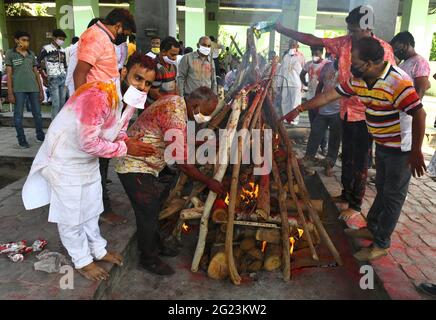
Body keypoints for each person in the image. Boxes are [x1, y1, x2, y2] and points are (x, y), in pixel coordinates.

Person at [283, 37, 427, 261]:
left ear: (370, 63)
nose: (351, 67)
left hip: (402, 148)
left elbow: (419, 113)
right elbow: (330, 94)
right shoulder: (360, 80)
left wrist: (417, 151)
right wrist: (300, 107)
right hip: (382, 144)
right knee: (382, 189)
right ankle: (372, 227)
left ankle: (381, 243)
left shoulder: (398, 82)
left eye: (355, 63)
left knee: (393, 197)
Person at [22, 52, 157, 281]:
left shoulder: (130, 98)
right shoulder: (99, 95)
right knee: (71, 215)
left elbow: (119, 127)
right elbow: (88, 142)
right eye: (138, 78)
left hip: (87, 160)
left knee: (92, 209)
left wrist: (126, 141)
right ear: (124, 73)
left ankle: (98, 250)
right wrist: (126, 149)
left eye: (148, 83)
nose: (143, 86)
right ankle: (82, 261)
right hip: (64, 159)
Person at [275, 6, 396, 221]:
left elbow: (390, 85)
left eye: (355, 30)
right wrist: (283, 30)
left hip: (367, 114)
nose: (351, 35)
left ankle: (356, 205)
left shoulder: (383, 50)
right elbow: (313, 42)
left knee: (360, 160)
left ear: (368, 28)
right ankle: (346, 195)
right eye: (349, 30)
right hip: (345, 109)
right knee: (347, 156)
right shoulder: (345, 44)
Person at [115, 86, 224, 275]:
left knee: (153, 208)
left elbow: (176, 138)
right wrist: (209, 182)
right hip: (133, 165)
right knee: (147, 212)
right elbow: (183, 164)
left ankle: (156, 245)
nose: (204, 118)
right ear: (196, 105)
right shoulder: (175, 114)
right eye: (205, 114)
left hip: (146, 165)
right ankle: (148, 259)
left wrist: (202, 142)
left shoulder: (177, 103)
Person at [74, 8, 136, 226]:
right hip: (93, 112)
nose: (124, 38)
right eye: (125, 33)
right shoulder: (95, 36)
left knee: (100, 165)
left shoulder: (104, 39)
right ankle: (99, 209)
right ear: (118, 26)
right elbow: (80, 74)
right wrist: (85, 113)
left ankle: (99, 206)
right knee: (96, 164)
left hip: (103, 110)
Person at [5, 31, 45, 148]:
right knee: (18, 115)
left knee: (37, 114)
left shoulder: (31, 54)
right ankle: (21, 140)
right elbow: (9, 74)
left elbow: (36, 73)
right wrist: (10, 92)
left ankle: (40, 136)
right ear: (16, 40)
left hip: (34, 89)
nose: (25, 42)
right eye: (23, 40)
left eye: (27, 40)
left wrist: (41, 90)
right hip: (18, 90)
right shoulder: (10, 54)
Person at [304, 58, 342, 177]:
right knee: (315, 134)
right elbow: (320, 85)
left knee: (334, 140)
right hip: (323, 109)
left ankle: (329, 165)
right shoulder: (327, 67)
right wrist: (316, 103)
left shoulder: (348, 69)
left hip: (338, 111)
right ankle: (308, 162)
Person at [65, 19, 101, 96]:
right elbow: (72, 68)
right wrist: (66, 84)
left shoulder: (96, 45)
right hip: (77, 87)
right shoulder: (79, 46)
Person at [391, 31, 431, 99]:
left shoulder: (419, 62)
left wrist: (415, 108)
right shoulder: (405, 62)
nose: (395, 51)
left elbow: (421, 89)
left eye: (397, 48)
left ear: (406, 45)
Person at [38, 29, 68, 119]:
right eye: (60, 38)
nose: (61, 41)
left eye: (63, 39)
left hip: (63, 77)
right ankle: (53, 124)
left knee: (62, 102)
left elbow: (65, 65)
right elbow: (37, 62)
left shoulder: (63, 50)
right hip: (53, 78)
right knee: (56, 102)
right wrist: (43, 75)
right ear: (54, 38)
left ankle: (61, 123)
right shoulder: (46, 49)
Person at [146, 36, 180, 108]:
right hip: (155, 108)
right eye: (173, 54)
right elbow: (154, 93)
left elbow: (175, 86)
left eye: (176, 54)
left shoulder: (173, 66)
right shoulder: (155, 67)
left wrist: (178, 100)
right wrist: (169, 104)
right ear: (163, 52)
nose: (175, 58)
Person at [276, 39, 305, 124]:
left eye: (293, 44)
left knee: (295, 103)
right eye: (290, 44)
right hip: (286, 83)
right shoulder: (286, 56)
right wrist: (279, 83)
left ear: (297, 46)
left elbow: (304, 71)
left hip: (296, 83)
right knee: (285, 102)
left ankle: (294, 120)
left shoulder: (300, 56)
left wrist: (305, 85)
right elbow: (282, 70)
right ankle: (286, 118)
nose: (292, 46)